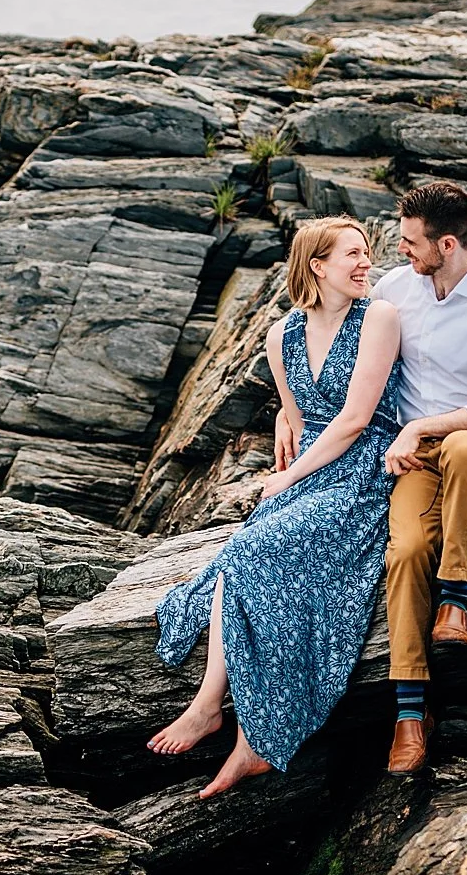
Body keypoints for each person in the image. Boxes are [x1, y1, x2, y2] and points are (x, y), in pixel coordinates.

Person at [149, 215, 406, 798]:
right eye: (353, 255)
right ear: (317, 266)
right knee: (244, 558)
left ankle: (220, 713)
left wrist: (290, 475)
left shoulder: (380, 319)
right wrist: (284, 436)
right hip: (309, 468)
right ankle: (219, 711)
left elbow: (356, 419)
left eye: (367, 253)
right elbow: (293, 413)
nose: (367, 264)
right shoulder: (281, 335)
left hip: (362, 468)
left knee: (248, 551)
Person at [319, 180, 467, 776]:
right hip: (419, 454)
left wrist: (420, 428)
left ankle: (456, 600)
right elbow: (331, 331)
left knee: (465, 445)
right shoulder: (395, 289)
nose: (401, 252)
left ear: (446, 243)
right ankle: (411, 715)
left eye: (411, 242)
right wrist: (290, 407)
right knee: (406, 550)